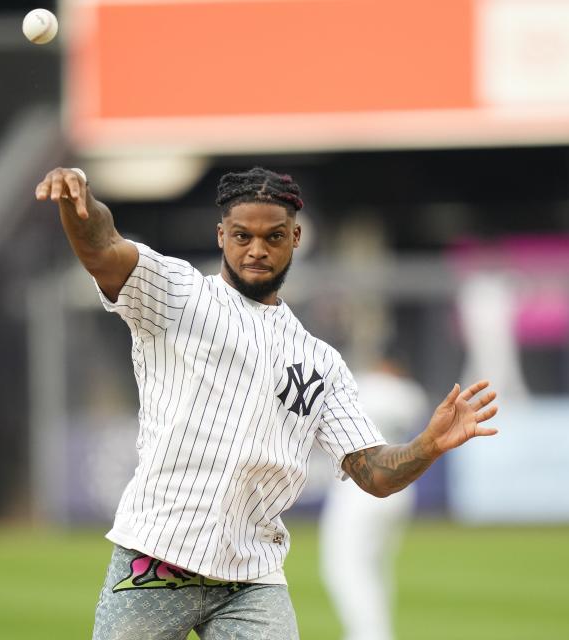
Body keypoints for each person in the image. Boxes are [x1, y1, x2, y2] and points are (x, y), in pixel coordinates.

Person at [34, 166, 499, 640]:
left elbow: (373, 473)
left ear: (295, 237)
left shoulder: (321, 362)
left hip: (251, 577)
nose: (257, 249)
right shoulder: (176, 293)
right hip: (155, 558)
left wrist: (428, 445)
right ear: (221, 236)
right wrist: (81, 202)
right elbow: (103, 248)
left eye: (273, 236)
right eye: (242, 235)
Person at [319, 359, 428, 640]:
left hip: (360, 485)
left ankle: (368, 635)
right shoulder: (410, 394)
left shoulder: (363, 383)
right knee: (377, 569)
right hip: (401, 486)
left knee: (344, 568)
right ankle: (377, 633)